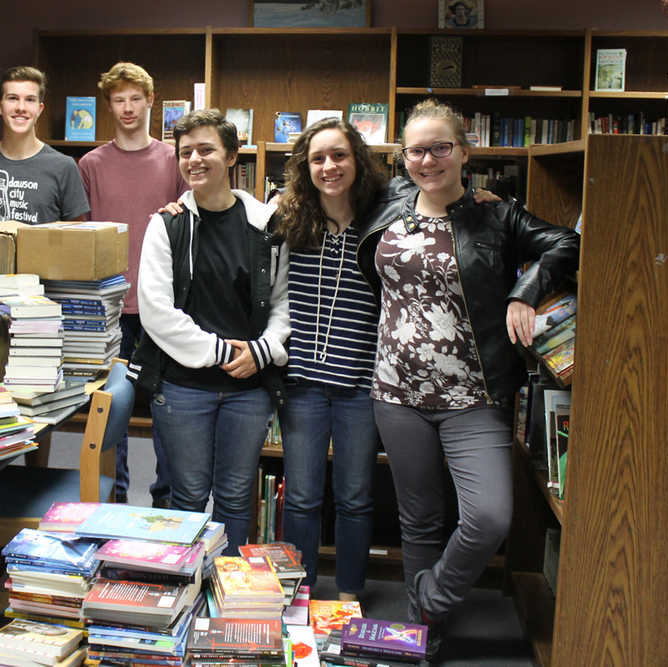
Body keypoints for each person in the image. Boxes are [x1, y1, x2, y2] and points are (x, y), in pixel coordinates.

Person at [355, 99, 580, 659]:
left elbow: (565, 242)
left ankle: (430, 600)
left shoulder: (496, 215)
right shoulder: (388, 207)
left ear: (464, 153)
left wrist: (523, 292)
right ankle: (424, 633)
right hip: (395, 394)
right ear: (401, 156)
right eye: (416, 150)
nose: (427, 160)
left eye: (440, 148)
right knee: (421, 518)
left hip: (473, 398)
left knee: (488, 517)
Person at [130, 109, 289, 554]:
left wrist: (261, 352)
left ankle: (228, 589)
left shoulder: (266, 226)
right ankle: (185, 594)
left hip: (248, 387)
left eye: (206, 149)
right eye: (185, 152)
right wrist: (223, 351)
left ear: (233, 155)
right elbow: (156, 312)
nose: (194, 159)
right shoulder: (167, 224)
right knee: (188, 495)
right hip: (183, 388)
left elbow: (282, 303)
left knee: (238, 497)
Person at [276, 117, 389, 600]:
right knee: (301, 497)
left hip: (359, 385)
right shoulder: (286, 220)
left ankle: (348, 592)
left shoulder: (383, 222)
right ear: (306, 167)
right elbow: (227, 211)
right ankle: (299, 591)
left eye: (339, 155)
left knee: (356, 498)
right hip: (302, 383)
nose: (329, 166)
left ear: (357, 160)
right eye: (318, 158)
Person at [78, 62, 185, 507]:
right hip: (108, 306)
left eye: (135, 98)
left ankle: (165, 502)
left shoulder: (174, 159)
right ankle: (114, 500)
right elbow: (80, 236)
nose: (127, 108)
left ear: (150, 101)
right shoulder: (90, 165)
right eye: (119, 100)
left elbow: (189, 225)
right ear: (109, 106)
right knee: (110, 410)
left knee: (167, 410)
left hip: (162, 305)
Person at [0, 65, 89, 224]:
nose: (21, 108)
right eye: (12, 98)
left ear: (39, 109)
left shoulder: (64, 167)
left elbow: (77, 237)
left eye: (30, 99)